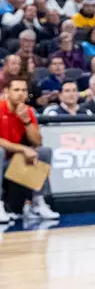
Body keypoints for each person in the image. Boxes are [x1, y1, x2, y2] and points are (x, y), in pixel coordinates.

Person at [0, 77, 59, 222]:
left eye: (24, 90)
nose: (20, 93)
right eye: (16, 90)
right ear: (7, 92)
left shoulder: (28, 112)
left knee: (44, 152)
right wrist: (23, 149)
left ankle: (37, 202)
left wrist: (26, 121)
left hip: (13, 163)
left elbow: (37, 142)